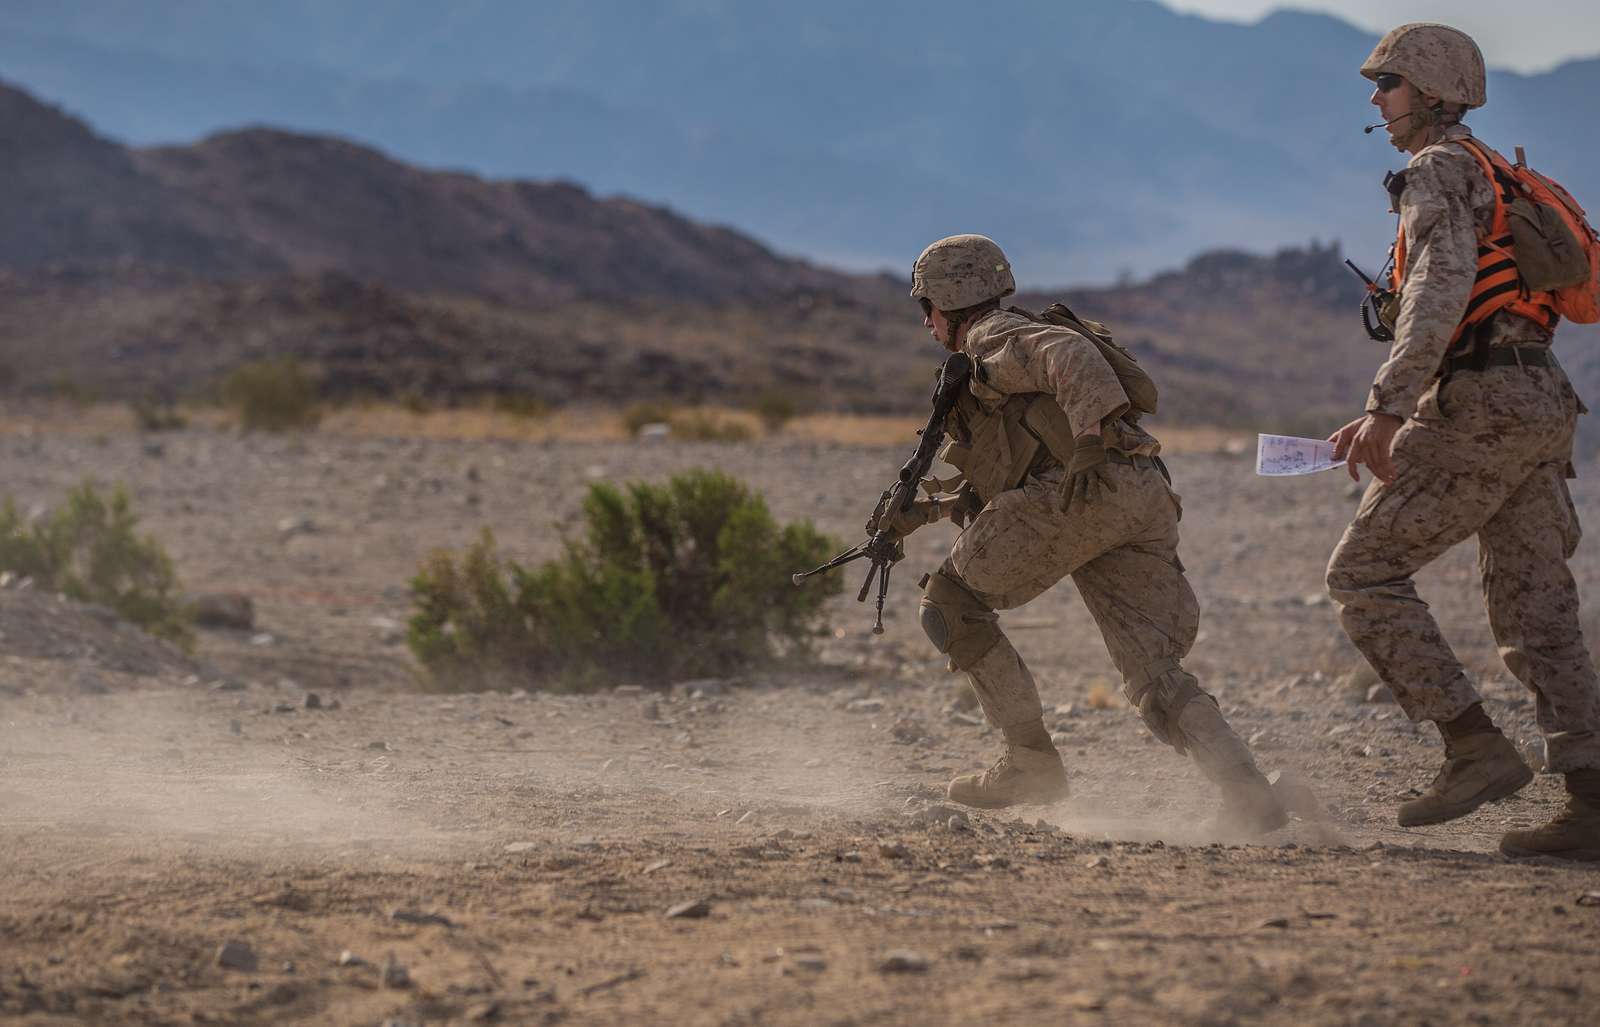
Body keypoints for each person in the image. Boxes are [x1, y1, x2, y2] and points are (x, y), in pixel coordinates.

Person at [876, 233, 1286, 834]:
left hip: (1080, 492)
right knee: (1153, 674)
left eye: (925, 309)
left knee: (951, 605)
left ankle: (1030, 762)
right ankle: (1247, 790)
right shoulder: (1001, 346)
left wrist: (1089, 441)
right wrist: (931, 510)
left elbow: (1072, 357)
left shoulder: (991, 336)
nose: (926, 325)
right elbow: (1011, 475)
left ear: (946, 302)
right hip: (1138, 493)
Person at [1327, 23, 1600, 859]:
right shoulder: (1503, 172)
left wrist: (1386, 406)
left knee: (1363, 574)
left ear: (1434, 93)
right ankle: (1593, 802)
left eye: (1389, 83)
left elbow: (1437, 295)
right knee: (1536, 604)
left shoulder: (1438, 167)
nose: (1375, 99)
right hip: (1541, 395)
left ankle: (1474, 748)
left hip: (1481, 399)